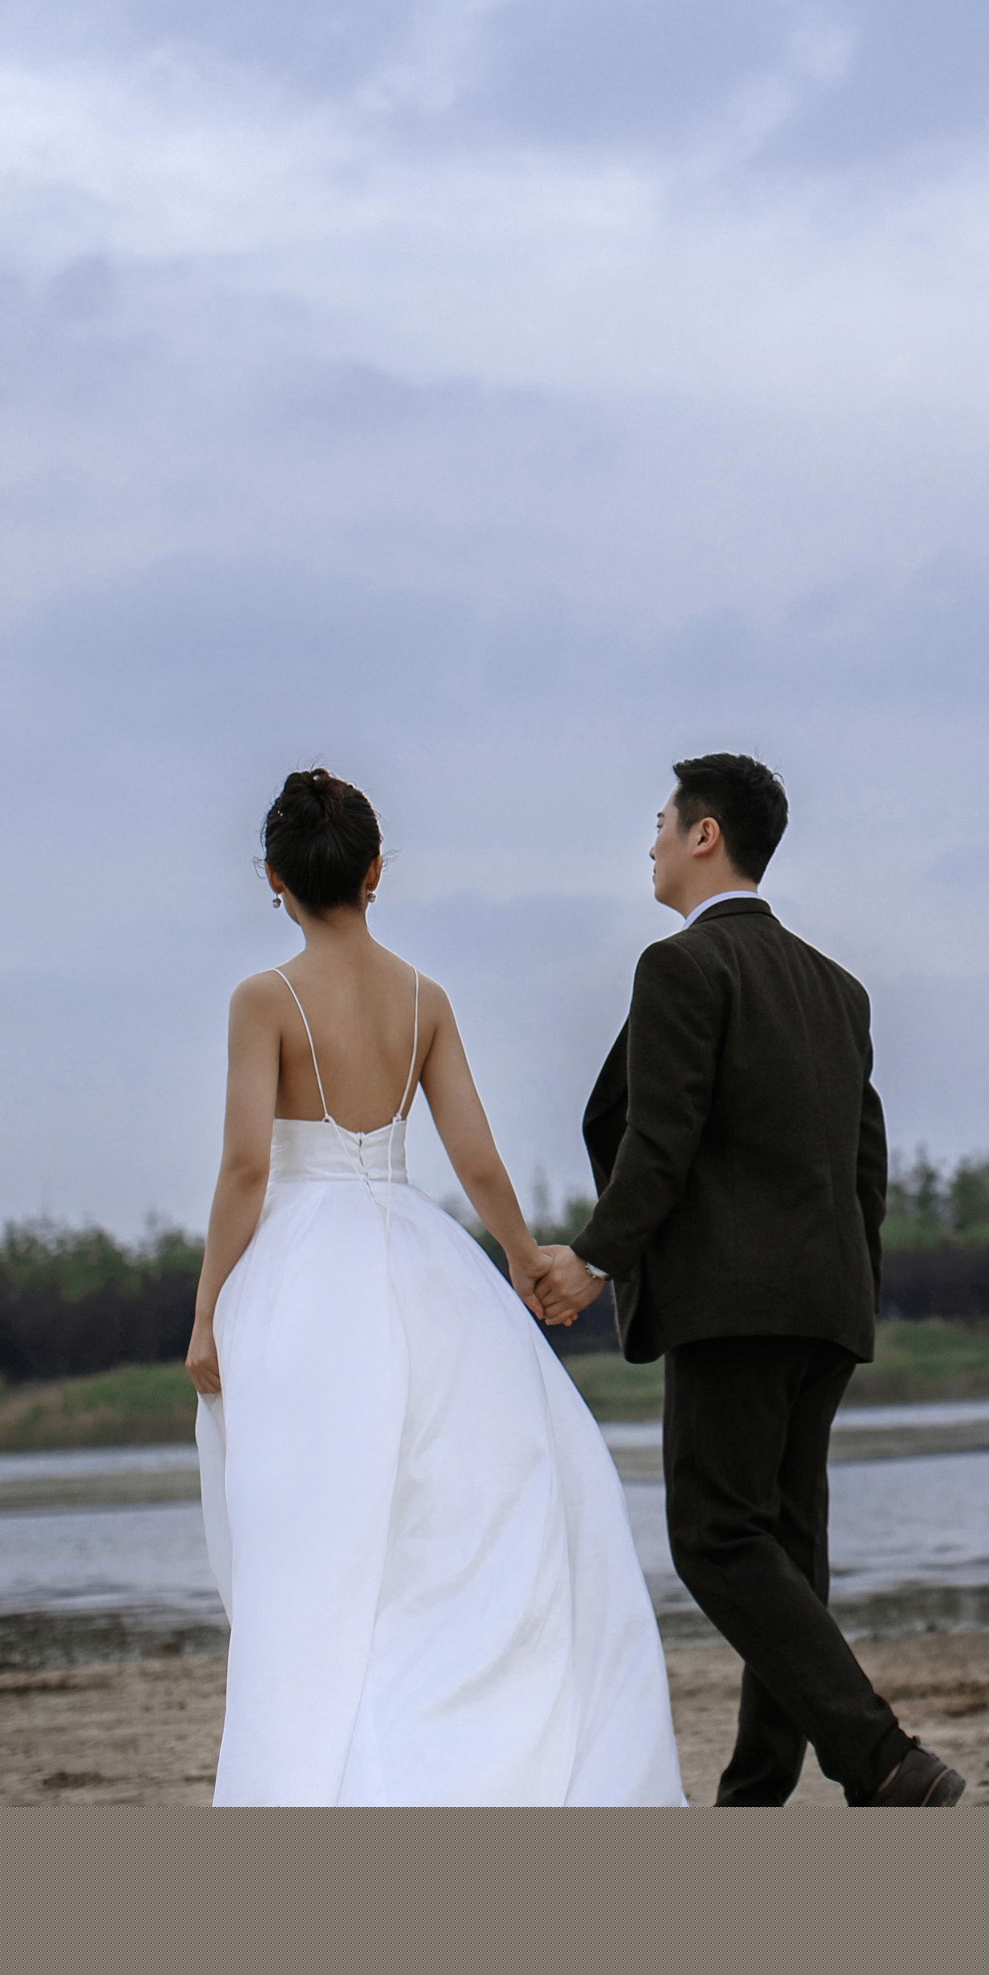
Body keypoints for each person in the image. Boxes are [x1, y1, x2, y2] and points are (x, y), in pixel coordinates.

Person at [188, 767, 683, 1808]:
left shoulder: (263, 1000)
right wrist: (524, 1258)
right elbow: (477, 1157)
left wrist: (206, 1314)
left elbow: (245, 1167)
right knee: (433, 1524)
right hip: (421, 1265)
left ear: (273, 878)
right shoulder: (425, 999)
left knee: (316, 1535)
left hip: (304, 1278)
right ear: (376, 870)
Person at [537, 754, 964, 1807]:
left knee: (716, 1538)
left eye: (661, 821)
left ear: (705, 835)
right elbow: (865, 1163)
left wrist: (594, 1259)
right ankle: (757, 1794)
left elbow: (660, 1140)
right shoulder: (838, 988)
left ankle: (880, 1758)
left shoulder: (679, 968)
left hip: (730, 1305)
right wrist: (852, 1290)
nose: (649, 842)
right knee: (785, 1550)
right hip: (827, 1304)